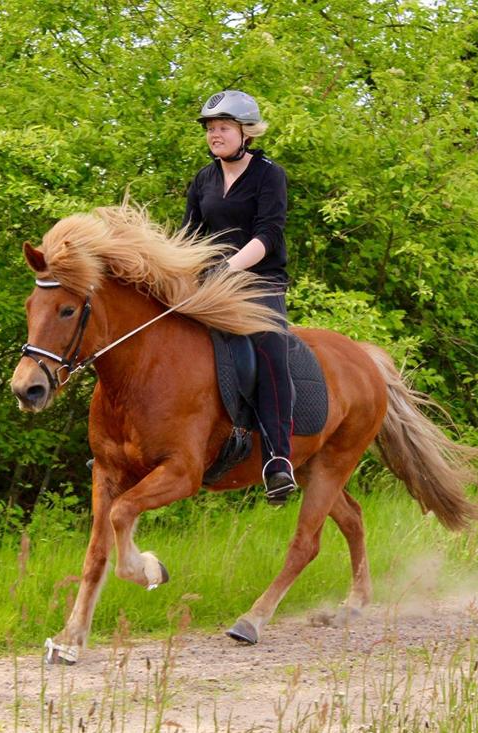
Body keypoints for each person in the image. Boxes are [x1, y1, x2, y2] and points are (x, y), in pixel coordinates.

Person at [182, 89, 296, 504]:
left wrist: (227, 268)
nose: (215, 135)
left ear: (246, 133)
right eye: (211, 129)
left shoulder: (270, 174)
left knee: (270, 352)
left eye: (223, 128)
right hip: (211, 285)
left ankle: (277, 461)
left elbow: (268, 235)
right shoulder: (203, 179)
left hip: (258, 282)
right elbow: (189, 235)